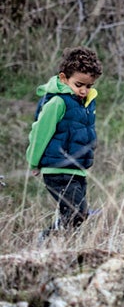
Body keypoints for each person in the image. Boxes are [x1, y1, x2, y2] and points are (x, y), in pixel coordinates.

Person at [26, 47, 103, 238]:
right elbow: (39, 133)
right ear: (63, 78)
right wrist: (34, 162)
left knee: (76, 215)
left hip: (77, 169)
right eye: (79, 85)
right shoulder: (57, 103)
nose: (84, 91)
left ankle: (61, 247)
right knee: (77, 213)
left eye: (89, 86)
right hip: (57, 170)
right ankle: (45, 238)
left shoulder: (85, 104)